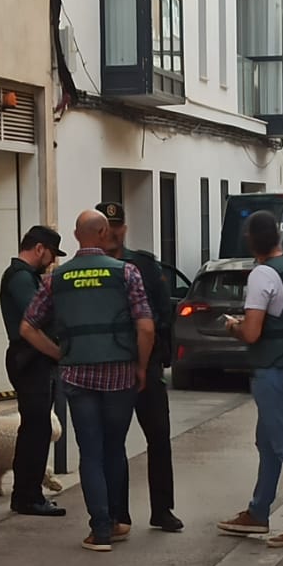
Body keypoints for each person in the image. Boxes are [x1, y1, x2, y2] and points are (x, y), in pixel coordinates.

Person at [18, 210, 154, 552]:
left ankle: (101, 529)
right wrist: (141, 366)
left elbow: (27, 327)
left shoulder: (56, 278)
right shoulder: (127, 272)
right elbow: (146, 326)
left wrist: (58, 354)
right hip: (120, 373)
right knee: (114, 447)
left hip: (77, 374)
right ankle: (119, 519)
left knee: (90, 451)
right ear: (104, 231)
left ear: (77, 237)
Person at [215, 210, 283, 547]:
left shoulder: (262, 275)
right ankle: (258, 511)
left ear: (252, 241)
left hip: (273, 369)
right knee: (268, 442)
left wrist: (232, 325)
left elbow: (251, 332)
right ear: (278, 238)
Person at [98, 200, 181, 531]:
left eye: (117, 227)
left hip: (147, 366)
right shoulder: (93, 268)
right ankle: (118, 512)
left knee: (159, 437)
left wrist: (155, 357)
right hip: (111, 368)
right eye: (107, 228)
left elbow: (163, 314)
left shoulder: (145, 266)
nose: (113, 234)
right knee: (113, 442)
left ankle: (162, 510)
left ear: (124, 229)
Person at [0, 224, 66, 518]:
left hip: (36, 360)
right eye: (51, 254)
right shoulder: (21, 278)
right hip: (30, 359)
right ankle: (27, 496)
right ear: (39, 248)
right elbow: (34, 321)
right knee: (35, 431)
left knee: (36, 430)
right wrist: (59, 353)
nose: (52, 261)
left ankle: (28, 494)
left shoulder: (28, 278)